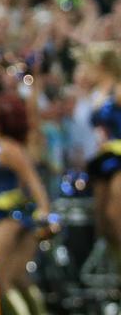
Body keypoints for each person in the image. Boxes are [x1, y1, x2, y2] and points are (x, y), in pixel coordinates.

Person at [0, 93, 51, 315]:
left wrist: (45, 213)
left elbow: (32, 180)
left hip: (11, 217)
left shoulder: (8, 148)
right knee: (17, 278)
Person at [80, 42, 121, 271]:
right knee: (104, 224)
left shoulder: (118, 89)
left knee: (117, 216)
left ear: (101, 65)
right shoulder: (98, 93)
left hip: (119, 157)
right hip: (102, 159)